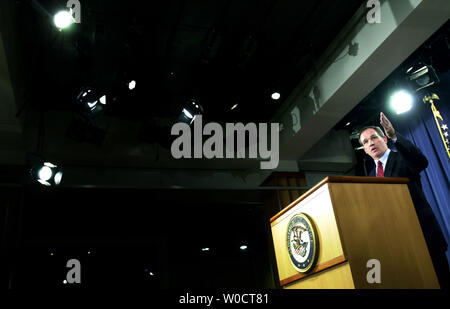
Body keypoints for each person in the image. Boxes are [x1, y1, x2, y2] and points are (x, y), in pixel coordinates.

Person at [358, 112, 449, 289]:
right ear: (365, 150)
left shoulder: (401, 158)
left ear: (384, 138)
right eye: (366, 142)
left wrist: (394, 135)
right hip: (397, 244)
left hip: (423, 236)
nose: (371, 143)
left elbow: (420, 161)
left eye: (374, 138)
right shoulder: (370, 177)